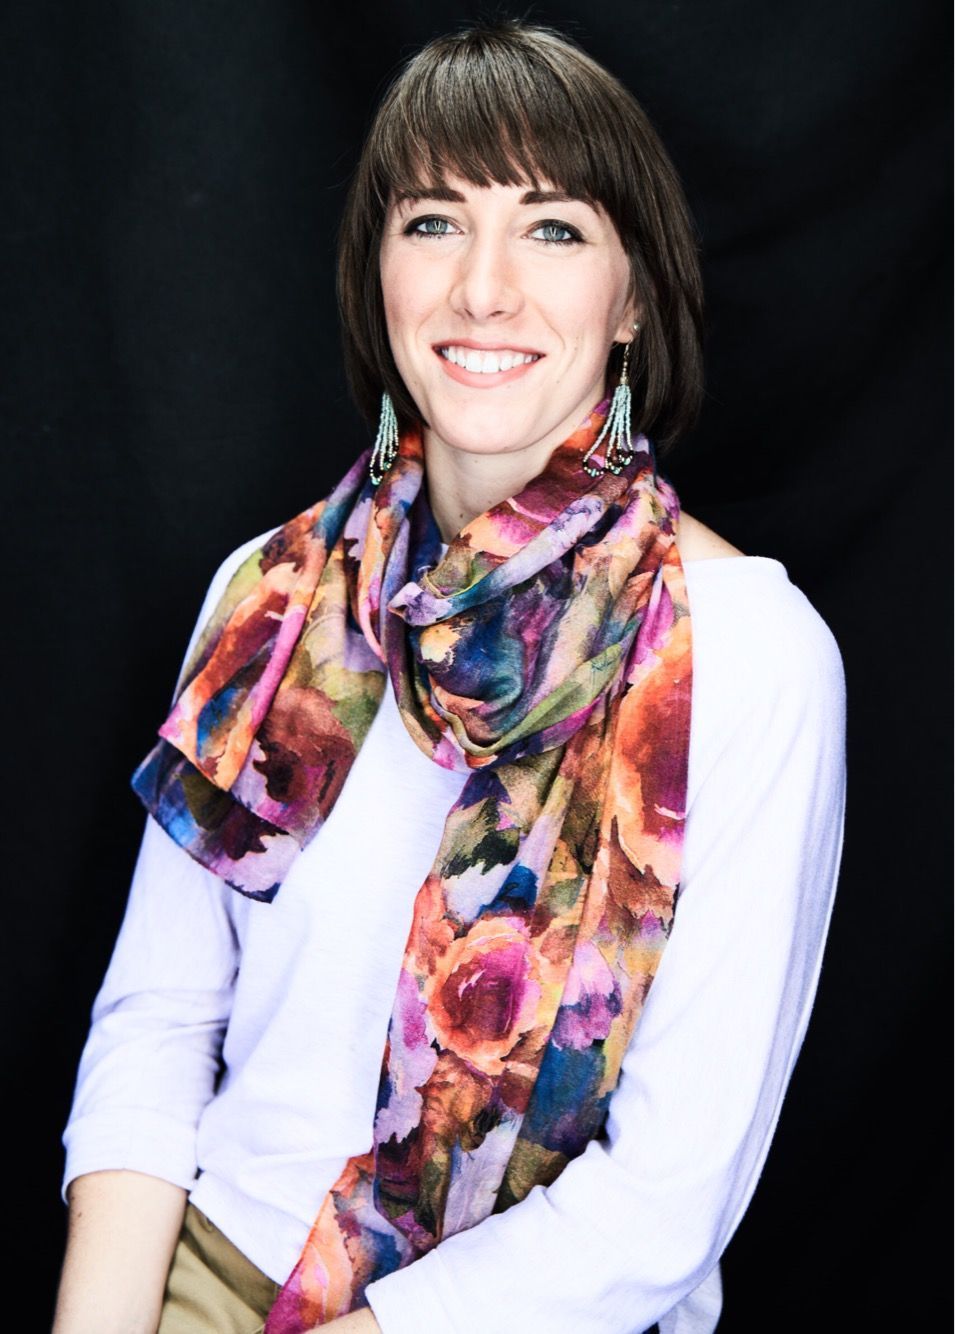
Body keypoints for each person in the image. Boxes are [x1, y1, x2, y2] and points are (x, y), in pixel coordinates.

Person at [53, 19, 847, 1334]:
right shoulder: (270, 593)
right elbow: (155, 1026)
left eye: (552, 229)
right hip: (201, 1279)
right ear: (377, 277)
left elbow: (667, 1197)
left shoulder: (756, 656)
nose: (484, 288)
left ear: (634, 296)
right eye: (433, 222)